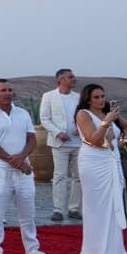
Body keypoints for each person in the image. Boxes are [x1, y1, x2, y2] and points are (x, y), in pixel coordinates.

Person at [0, 80, 52, 254]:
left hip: (23, 170)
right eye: (3, 90)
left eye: (10, 90)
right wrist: (16, 162)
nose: (8, 93)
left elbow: (32, 139)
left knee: (28, 213)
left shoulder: (22, 113)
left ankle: (32, 249)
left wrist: (22, 158)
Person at [73, 85, 127, 254]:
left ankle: (115, 253)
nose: (101, 100)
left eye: (102, 96)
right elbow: (93, 139)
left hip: (112, 161)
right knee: (96, 207)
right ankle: (95, 252)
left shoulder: (109, 112)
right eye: (96, 97)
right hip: (93, 162)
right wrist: (106, 121)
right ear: (88, 99)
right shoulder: (83, 114)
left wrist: (123, 141)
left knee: (113, 204)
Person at [40, 69, 83, 224]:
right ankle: (58, 209)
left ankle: (74, 209)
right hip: (60, 143)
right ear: (61, 79)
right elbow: (44, 118)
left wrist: (81, 128)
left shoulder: (78, 97)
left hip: (78, 143)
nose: (74, 79)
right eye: (71, 77)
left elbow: (83, 115)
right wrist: (58, 133)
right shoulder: (49, 96)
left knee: (78, 177)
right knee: (60, 176)